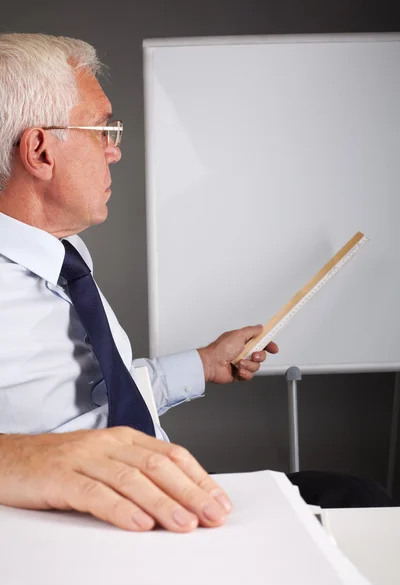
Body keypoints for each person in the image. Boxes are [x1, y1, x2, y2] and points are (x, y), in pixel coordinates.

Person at [0, 34, 395, 533]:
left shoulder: (66, 256)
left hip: (167, 497)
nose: (114, 151)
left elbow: (101, 402)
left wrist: (204, 364)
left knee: (359, 500)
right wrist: (22, 460)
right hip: (98, 534)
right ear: (40, 151)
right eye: (102, 129)